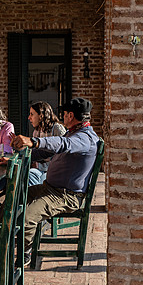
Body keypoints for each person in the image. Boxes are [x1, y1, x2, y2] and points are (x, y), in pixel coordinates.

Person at [11, 97, 99, 265]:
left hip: (66, 196)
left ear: (71, 115)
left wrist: (34, 141)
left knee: (28, 216)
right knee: (14, 199)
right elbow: (46, 153)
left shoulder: (85, 138)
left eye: (64, 114)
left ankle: (24, 255)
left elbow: (62, 143)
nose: (63, 116)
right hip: (50, 188)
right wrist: (22, 152)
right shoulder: (73, 132)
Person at [26, 101, 66, 186]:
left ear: (41, 116)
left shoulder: (57, 128)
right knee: (25, 176)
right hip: (39, 169)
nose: (29, 117)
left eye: (32, 114)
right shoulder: (36, 131)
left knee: (34, 180)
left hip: (53, 170)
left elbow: (64, 153)